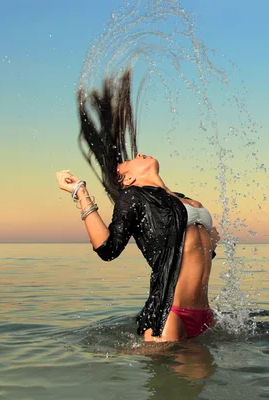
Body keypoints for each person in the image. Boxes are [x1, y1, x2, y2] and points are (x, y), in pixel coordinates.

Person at [56, 69, 219, 342]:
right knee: (173, 382)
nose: (140, 153)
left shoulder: (182, 199)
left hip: (203, 314)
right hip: (170, 315)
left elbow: (198, 250)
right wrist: (80, 192)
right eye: (132, 159)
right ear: (129, 178)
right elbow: (108, 248)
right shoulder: (134, 198)